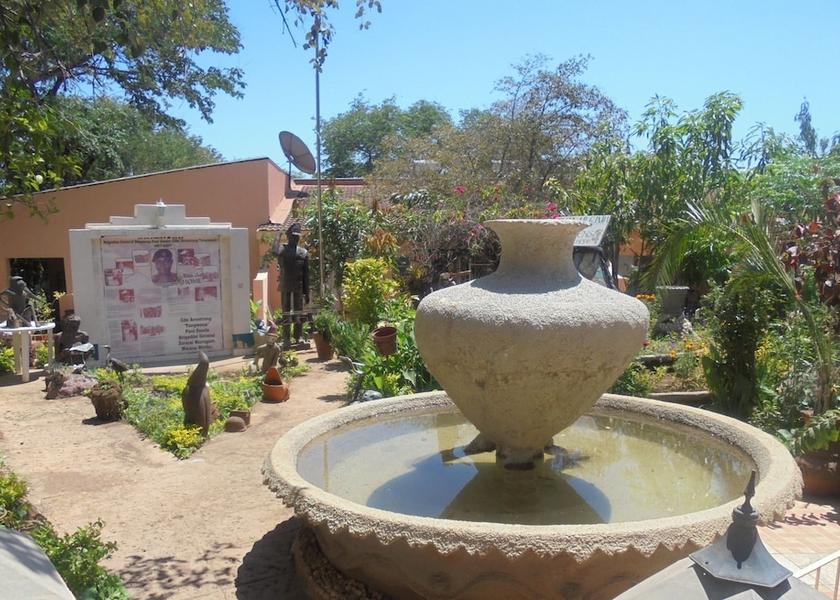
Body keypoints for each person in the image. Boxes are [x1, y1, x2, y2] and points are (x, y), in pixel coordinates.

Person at [272, 223, 309, 348]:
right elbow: (274, 251)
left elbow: (306, 275)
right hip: (286, 285)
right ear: (288, 236)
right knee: (286, 312)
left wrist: (307, 292)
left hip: (298, 286)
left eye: (297, 236)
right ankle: (287, 338)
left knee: (298, 312)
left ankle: (298, 337)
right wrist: (278, 235)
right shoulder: (282, 250)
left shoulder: (303, 253)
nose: (295, 238)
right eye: (293, 236)